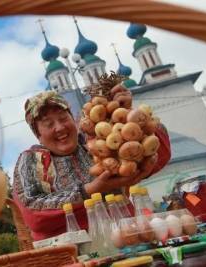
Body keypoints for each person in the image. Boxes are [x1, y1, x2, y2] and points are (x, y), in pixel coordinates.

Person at [12, 89, 171, 241]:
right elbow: (34, 214)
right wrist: (92, 189)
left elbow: (157, 154)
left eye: (63, 118)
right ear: (38, 135)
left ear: (74, 120)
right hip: (71, 253)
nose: (59, 127)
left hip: (129, 237)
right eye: (48, 124)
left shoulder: (95, 143)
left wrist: (129, 113)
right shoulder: (31, 160)